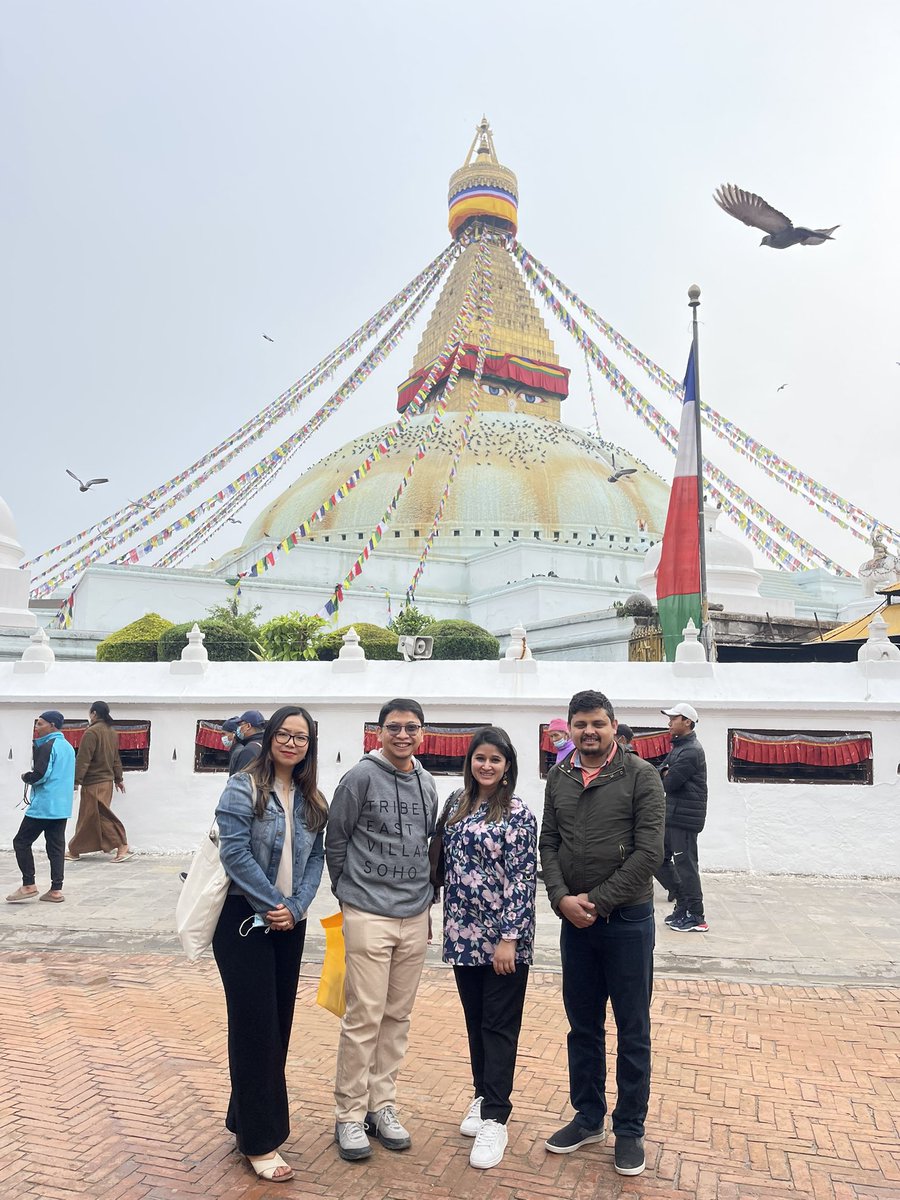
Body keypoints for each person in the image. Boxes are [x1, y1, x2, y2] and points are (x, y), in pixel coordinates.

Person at [540, 689, 664, 1177]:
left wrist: (598, 900)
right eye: (580, 725)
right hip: (576, 924)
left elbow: (648, 853)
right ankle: (588, 1116)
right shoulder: (560, 776)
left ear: (614, 726)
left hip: (627, 923)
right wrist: (560, 898)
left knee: (633, 1029)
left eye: (598, 724)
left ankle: (629, 1127)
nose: (588, 732)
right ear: (569, 729)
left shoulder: (641, 777)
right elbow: (549, 842)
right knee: (583, 1026)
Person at [212, 705, 327, 1183]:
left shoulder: (311, 798)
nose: (292, 743)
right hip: (244, 919)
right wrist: (271, 904)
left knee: (276, 1024)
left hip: (288, 922)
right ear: (270, 736)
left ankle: (245, 1118)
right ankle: (261, 1142)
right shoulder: (244, 786)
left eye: (301, 738)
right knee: (255, 1026)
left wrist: (295, 908)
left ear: (309, 746)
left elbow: (316, 858)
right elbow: (233, 850)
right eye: (285, 734)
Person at [326, 698, 438, 1162]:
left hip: (414, 913)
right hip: (368, 910)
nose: (403, 735)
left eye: (412, 727)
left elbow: (428, 843)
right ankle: (349, 1114)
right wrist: (348, 894)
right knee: (364, 1015)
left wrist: (427, 904)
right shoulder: (359, 777)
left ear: (422, 733)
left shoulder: (428, 782)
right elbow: (337, 838)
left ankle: (382, 1105)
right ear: (378, 732)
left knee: (397, 1017)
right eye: (394, 727)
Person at [441, 727, 536, 1170]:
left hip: (502, 939)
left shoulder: (517, 813)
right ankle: (482, 1096)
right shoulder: (455, 807)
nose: (486, 766)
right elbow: (441, 866)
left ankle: (497, 1116)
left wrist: (510, 939)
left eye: (495, 760)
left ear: (507, 767)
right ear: (470, 762)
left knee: (499, 1025)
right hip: (462, 934)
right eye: (480, 758)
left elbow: (521, 879)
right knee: (476, 1022)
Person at [7, 711, 76, 904]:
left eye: (40, 724)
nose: (37, 727)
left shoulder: (47, 746)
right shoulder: (68, 747)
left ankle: (28, 884)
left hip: (45, 804)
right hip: (62, 805)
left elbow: (41, 775)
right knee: (55, 847)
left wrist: (26, 777)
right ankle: (56, 890)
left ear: (52, 725)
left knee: (21, 841)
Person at [655, 703, 709, 933]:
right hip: (672, 814)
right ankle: (682, 902)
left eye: (673, 718)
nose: (669, 723)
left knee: (686, 865)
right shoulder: (679, 747)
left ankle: (696, 915)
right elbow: (660, 772)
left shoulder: (691, 750)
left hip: (685, 819)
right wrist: (665, 771)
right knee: (658, 859)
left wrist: (666, 772)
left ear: (687, 721)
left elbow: (669, 782)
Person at [67, 701, 133, 863]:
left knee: (98, 816)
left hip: (94, 783)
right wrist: (118, 778)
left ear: (94, 713)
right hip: (107, 782)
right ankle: (75, 850)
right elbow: (115, 758)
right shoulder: (111, 732)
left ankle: (121, 845)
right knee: (89, 817)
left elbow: (83, 759)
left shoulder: (92, 733)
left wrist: (76, 781)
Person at [223, 710, 266, 775]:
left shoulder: (249, 750)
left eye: (240, 725)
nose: (238, 728)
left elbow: (241, 782)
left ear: (248, 726)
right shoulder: (266, 744)